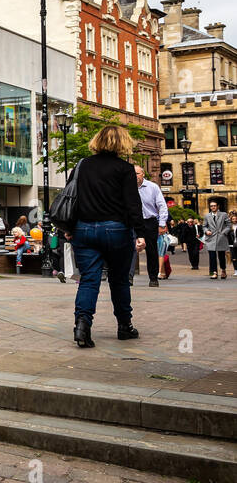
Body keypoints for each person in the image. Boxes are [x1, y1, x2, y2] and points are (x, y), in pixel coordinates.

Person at [66, 125, 143, 348]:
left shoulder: (81, 166)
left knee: (89, 280)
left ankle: (82, 325)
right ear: (123, 142)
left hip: (84, 229)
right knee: (119, 280)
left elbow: (72, 198)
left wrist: (69, 227)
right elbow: (132, 204)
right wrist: (140, 233)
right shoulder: (125, 169)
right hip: (116, 230)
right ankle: (124, 326)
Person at [134, 165, 168, 287]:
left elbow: (162, 205)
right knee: (129, 249)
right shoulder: (127, 187)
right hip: (133, 222)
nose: (135, 176)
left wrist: (162, 223)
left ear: (143, 174)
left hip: (149, 221)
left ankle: (153, 278)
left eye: (137, 173)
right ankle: (128, 277)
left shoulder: (152, 187)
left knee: (152, 251)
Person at [202, 200, 229, 279]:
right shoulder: (207, 216)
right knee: (212, 256)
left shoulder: (224, 214)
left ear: (217, 206)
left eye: (214, 206)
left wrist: (223, 233)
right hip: (211, 238)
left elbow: (228, 225)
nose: (213, 207)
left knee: (221, 256)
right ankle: (214, 272)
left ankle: (223, 270)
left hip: (221, 237)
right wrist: (206, 231)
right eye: (211, 206)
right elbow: (204, 226)